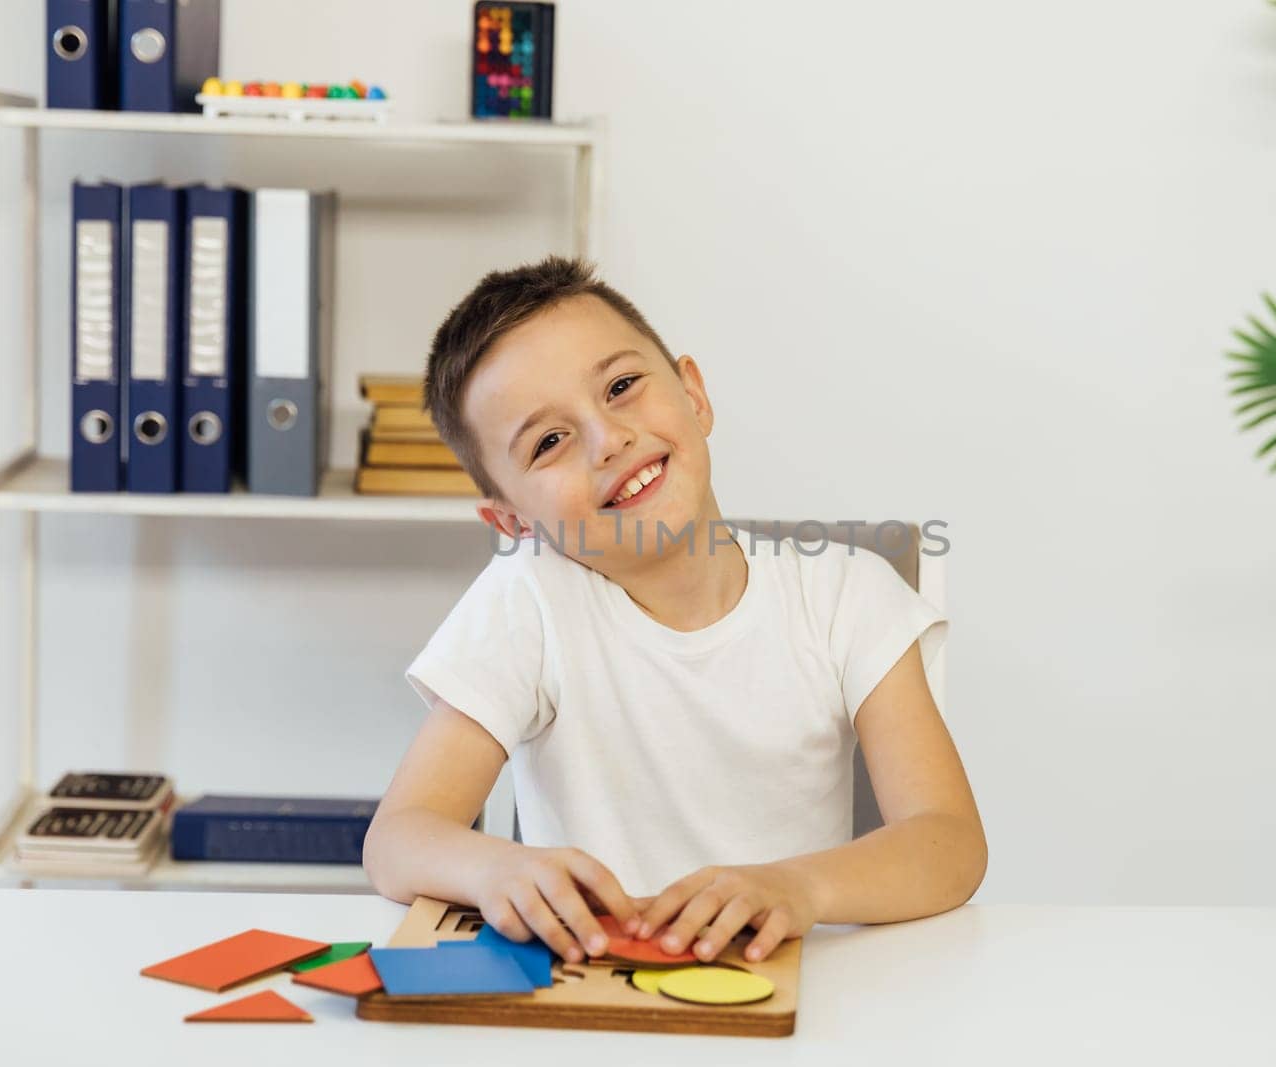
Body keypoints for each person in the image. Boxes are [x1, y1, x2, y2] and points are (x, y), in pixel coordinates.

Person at [362, 256, 986, 968]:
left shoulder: (847, 594)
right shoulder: (528, 600)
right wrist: (492, 868)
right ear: (512, 522)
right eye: (548, 441)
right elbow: (397, 838)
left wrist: (798, 886)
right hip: (595, 999)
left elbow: (950, 840)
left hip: (792, 1000)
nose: (608, 440)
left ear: (694, 393)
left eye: (622, 387)